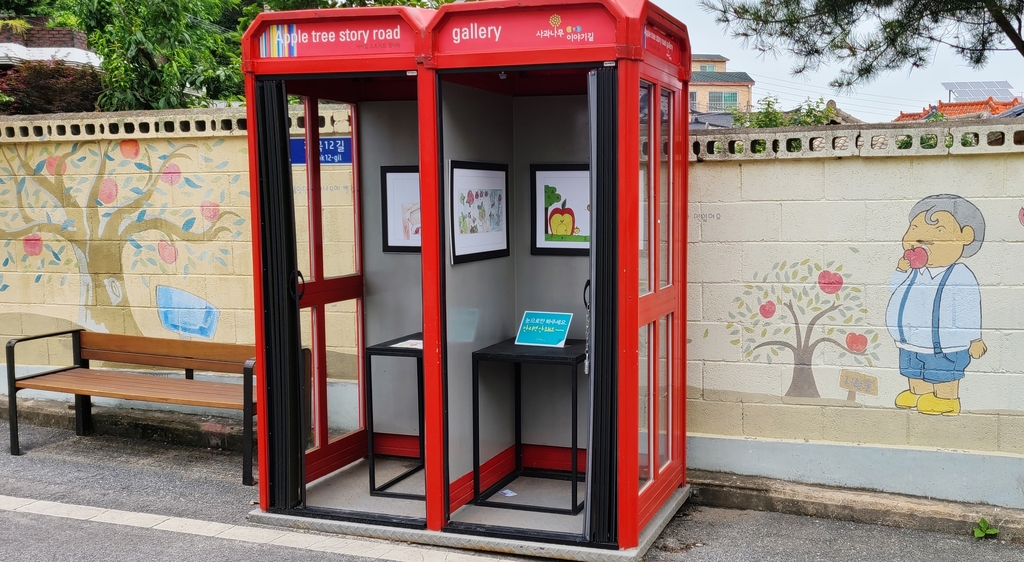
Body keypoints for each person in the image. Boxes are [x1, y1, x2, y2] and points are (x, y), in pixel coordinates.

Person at [885, 194, 986, 416]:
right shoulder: (914, 271)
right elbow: (894, 288)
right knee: (915, 369)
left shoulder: (959, 274)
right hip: (910, 341)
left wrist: (975, 338)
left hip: (946, 345)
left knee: (942, 372)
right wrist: (901, 270)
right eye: (914, 229)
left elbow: (969, 307)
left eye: (938, 230)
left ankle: (946, 399)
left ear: (965, 237)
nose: (918, 239)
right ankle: (918, 392)